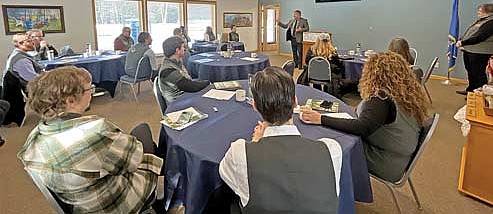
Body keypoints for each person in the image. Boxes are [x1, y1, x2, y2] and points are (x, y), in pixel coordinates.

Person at [17, 66, 163, 213]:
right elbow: (134, 160)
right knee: (143, 131)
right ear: (71, 100)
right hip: (114, 204)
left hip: (81, 203)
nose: (91, 94)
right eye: (89, 89)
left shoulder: (33, 139)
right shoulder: (95, 132)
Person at [219, 67, 342, 213]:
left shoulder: (239, 153)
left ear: (255, 107)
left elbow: (228, 178)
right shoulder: (331, 150)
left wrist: (256, 143)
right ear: (295, 102)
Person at [300, 52, 429, 182]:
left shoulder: (381, 99)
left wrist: (320, 118)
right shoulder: (405, 94)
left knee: (331, 145)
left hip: (383, 161)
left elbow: (361, 127)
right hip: (398, 158)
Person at [456, 3, 493, 94]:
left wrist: (463, 42)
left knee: (478, 73)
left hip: (480, 53)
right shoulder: (483, 20)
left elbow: (480, 37)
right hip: (471, 50)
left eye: (480, 11)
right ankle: (471, 90)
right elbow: (473, 33)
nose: (478, 13)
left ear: (487, 12)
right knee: (471, 72)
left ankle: (479, 94)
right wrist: (463, 41)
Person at [159, 36, 209, 104]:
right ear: (177, 50)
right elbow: (190, 86)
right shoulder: (167, 70)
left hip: (184, 96)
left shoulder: (176, 62)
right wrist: (209, 83)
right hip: (178, 103)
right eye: (182, 47)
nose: (184, 49)